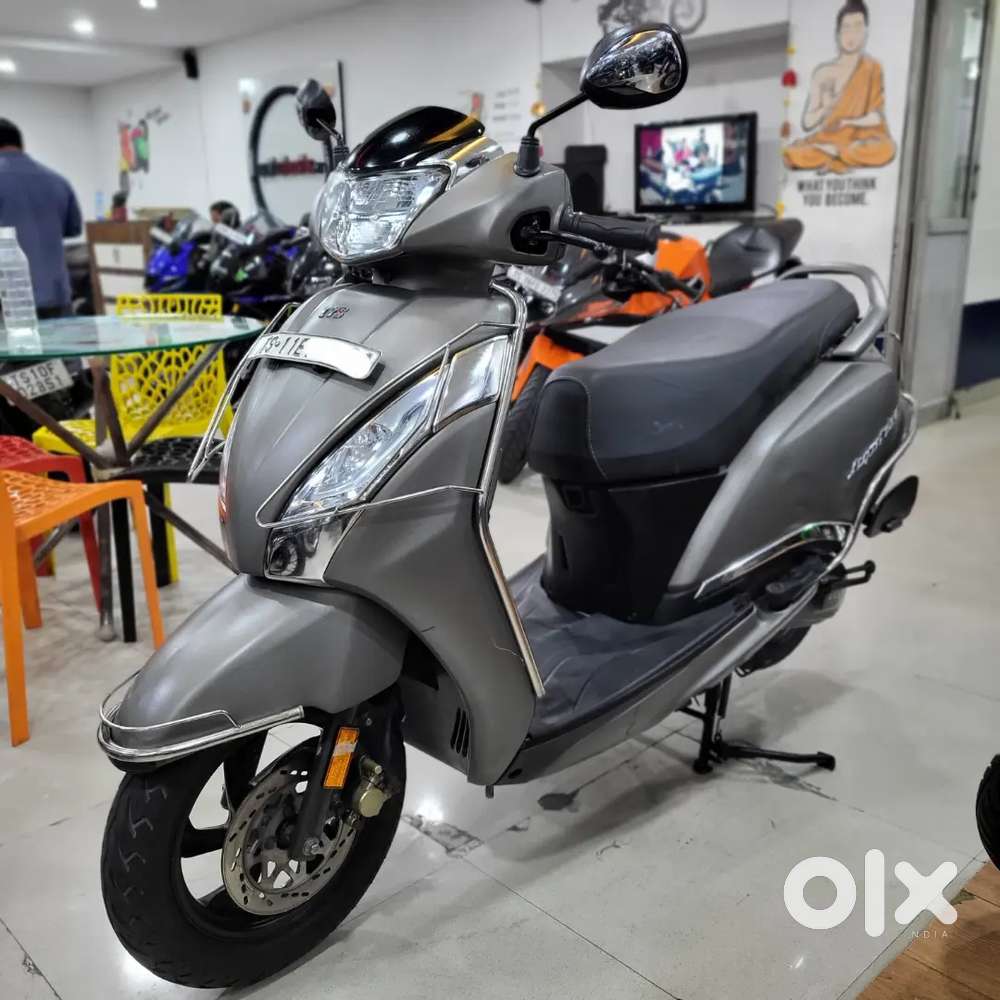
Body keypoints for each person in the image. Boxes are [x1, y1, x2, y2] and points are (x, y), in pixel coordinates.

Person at [783, 0, 896, 173]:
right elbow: (808, 121)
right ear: (837, 33)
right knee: (791, 154)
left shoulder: (872, 67)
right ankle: (835, 153)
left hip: (859, 139)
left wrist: (848, 122)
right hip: (828, 138)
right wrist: (826, 108)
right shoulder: (823, 72)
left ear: (866, 32)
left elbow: (876, 118)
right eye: (846, 28)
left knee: (887, 149)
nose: (852, 35)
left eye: (857, 27)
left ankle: (835, 153)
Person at [0, 118, 83, 318]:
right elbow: (73, 229)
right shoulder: (58, 181)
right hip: (58, 296)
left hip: (9, 304)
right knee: (62, 340)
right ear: (20, 144)